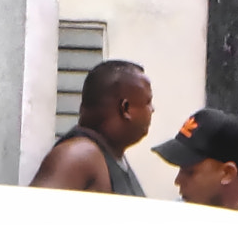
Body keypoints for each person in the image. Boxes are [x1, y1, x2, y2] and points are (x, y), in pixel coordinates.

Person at [30, 59, 154, 194]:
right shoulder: (79, 155)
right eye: (148, 102)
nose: (152, 109)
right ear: (125, 108)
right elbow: (32, 211)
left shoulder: (111, 155)